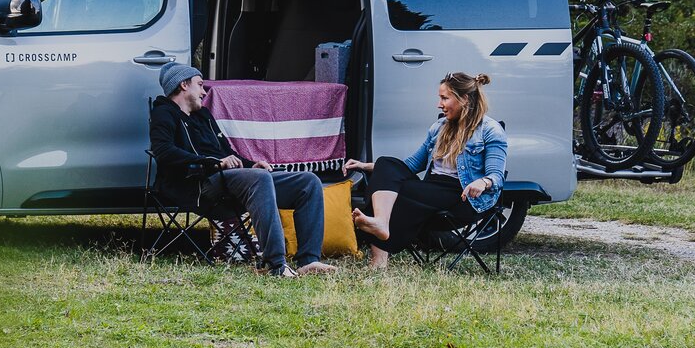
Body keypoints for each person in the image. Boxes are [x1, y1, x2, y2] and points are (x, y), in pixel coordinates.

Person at [150, 62, 338, 277]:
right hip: (198, 185)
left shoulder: (204, 116)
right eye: (200, 85)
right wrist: (212, 163)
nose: (204, 91)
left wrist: (250, 165)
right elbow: (163, 152)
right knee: (259, 179)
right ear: (183, 85)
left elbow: (227, 152)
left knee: (307, 181)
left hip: (230, 181)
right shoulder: (164, 114)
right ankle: (275, 264)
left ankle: (308, 261)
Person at [343, 71, 507, 269]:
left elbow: (497, 176)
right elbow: (411, 165)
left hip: (462, 196)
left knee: (396, 194)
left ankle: (379, 257)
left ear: (464, 99)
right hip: (431, 189)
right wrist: (366, 166)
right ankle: (380, 223)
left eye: (445, 98)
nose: (440, 104)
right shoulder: (439, 127)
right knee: (386, 165)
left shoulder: (490, 129)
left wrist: (483, 182)